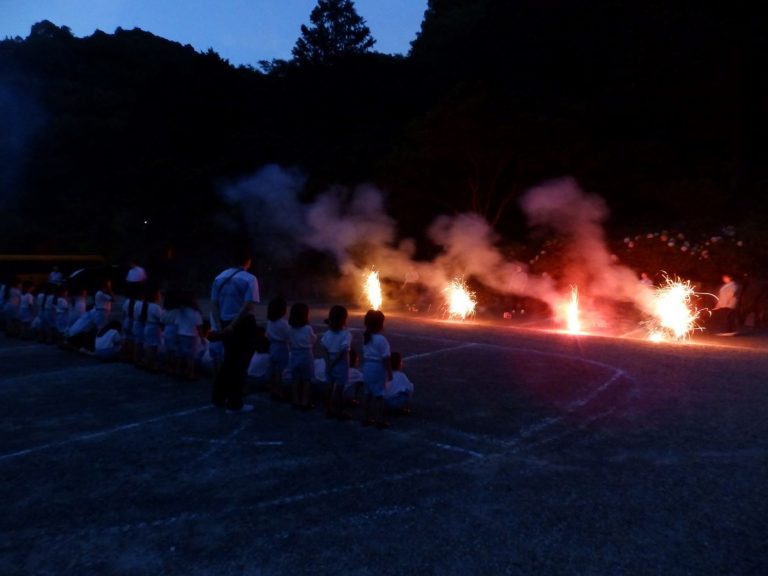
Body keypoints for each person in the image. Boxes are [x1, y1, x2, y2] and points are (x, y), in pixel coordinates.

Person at [210, 250, 261, 413]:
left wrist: (221, 326)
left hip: (224, 322)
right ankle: (234, 402)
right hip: (243, 324)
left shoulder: (219, 277)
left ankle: (218, 398)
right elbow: (248, 306)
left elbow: (214, 303)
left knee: (229, 360)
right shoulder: (249, 278)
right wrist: (233, 325)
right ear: (247, 261)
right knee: (241, 363)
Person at [361, 309, 392, 429]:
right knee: (379, 395)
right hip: (377, 368)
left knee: (367, 393)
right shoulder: (382, 339)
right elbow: (386, 358)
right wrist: (389, 372)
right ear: (381, 324)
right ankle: (379, 420)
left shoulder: (366, 337)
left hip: (367, 367)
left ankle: (366, 418)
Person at [320, 305, 352, 420]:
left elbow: (324, 349)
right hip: (340, 364)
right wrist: (333, 363)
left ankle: (328, 408)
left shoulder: (327, 334)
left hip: (329, 362)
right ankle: (339, 411)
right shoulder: (346, 334)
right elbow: (343, 351)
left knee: (329, 386)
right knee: (339, 389)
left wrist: (328, 363)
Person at [288, 302, 316, 410]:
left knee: (295, 378)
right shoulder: (308, 328)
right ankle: (305, 402)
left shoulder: (290, 328)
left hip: (294, 354)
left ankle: (295, 400)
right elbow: (312, 339)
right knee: (306, 379)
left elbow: (289, 340)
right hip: (306, 355)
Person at [265, 297, 291, 401]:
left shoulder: (270, 322)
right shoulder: (283, 323)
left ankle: (273, 390)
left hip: (272, 346)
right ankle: (279, 392)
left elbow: (267, 334)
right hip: (281, 347)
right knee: (280, 371)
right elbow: (288, 335)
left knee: (273, 370)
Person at [175, 290, 203, 380]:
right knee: (190, 356)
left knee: (180, 354)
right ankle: (190, 373)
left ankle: (178, 371)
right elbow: (199, 326)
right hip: (190, 335)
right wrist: (202, 338)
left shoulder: (181, 310)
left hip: (180, 333)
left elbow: (177, 322)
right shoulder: (195, 312)